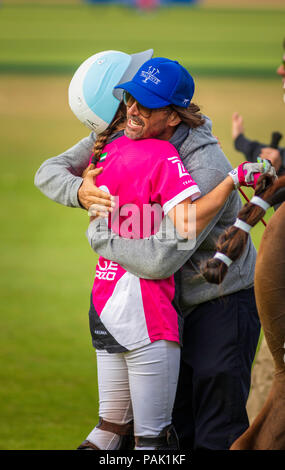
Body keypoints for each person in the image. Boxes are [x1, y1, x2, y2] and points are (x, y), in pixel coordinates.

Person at [35, 55, 265, 450]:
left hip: (220, 301)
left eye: (147, 104)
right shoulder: (122, 129)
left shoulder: (203, 163)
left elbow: (160, 259)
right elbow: (49, 172)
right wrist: (79, 191)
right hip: (163, 304)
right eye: (129, 99)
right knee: (168, 431)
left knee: (214, 431)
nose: (133, 111)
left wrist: (100, 235)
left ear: (174, 117)